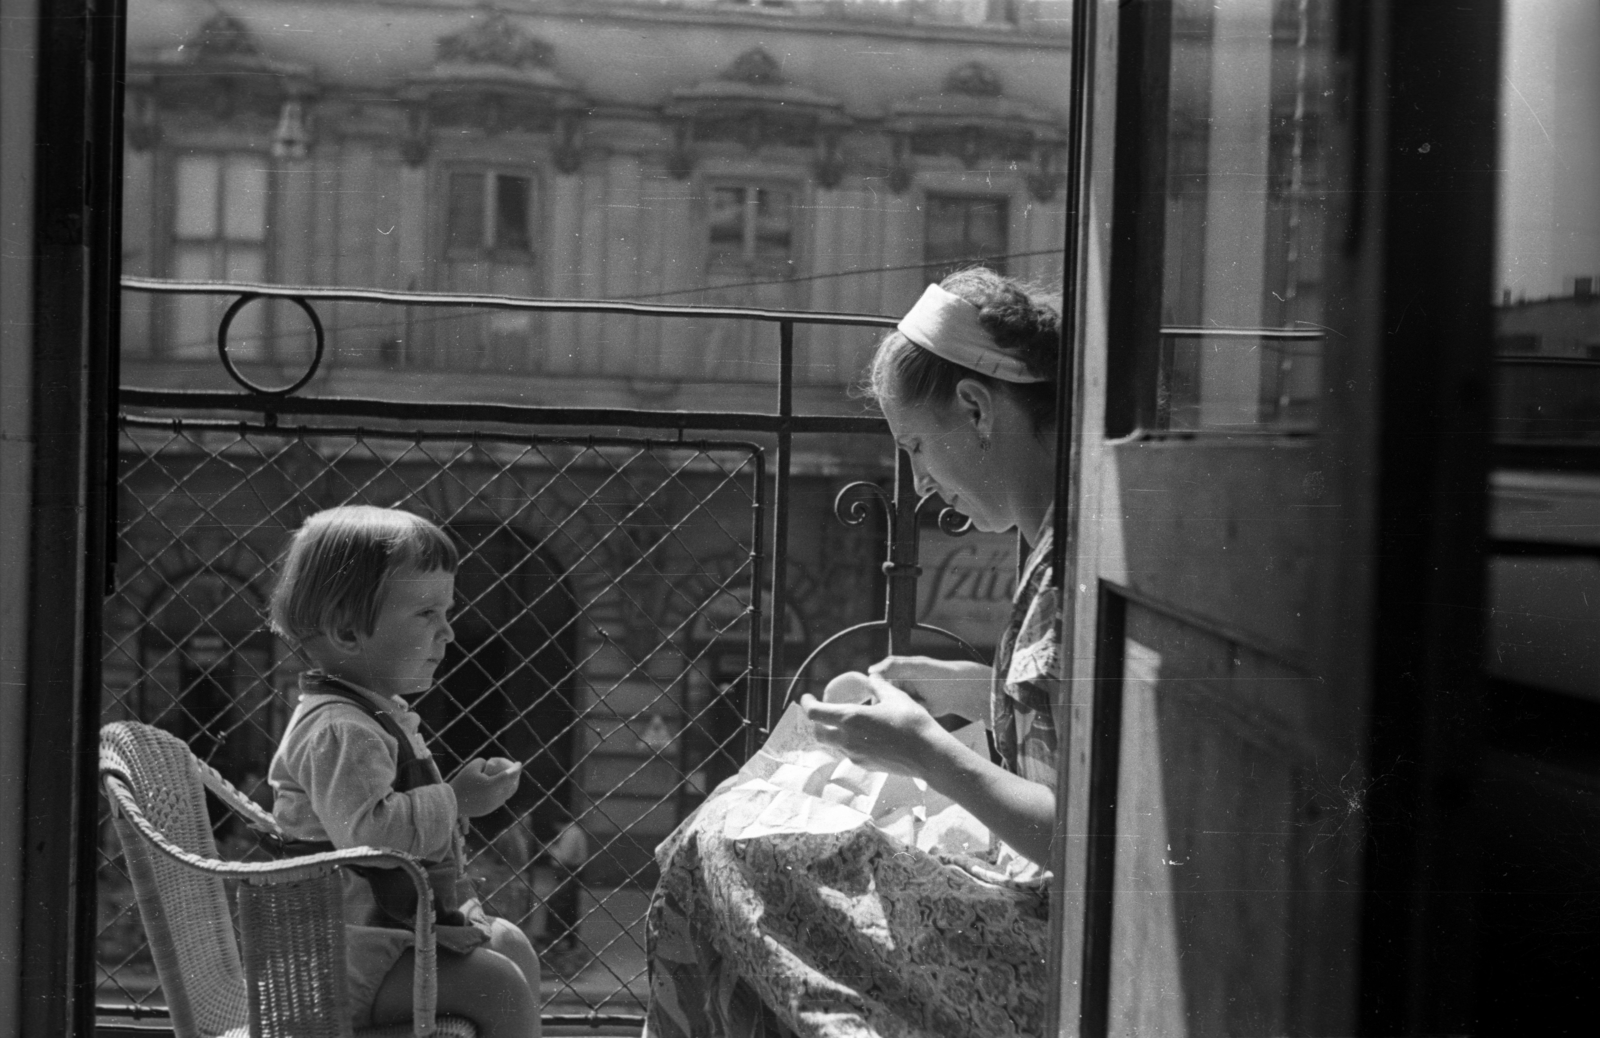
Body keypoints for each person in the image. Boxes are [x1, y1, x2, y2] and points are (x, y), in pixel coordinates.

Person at [647, 267, 1063, 1038]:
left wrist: (931, 755)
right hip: (1040, 905)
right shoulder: (1057, 548)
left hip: (1047, 945)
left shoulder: (1067, 568)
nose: (920, 481)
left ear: (975, 409)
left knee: (723, 848)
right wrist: (970, 688)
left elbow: (1088, 832)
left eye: (914, 446)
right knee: (739, 835)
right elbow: (1069, 726)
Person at [266, 506, 541, 1038]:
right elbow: (371, 836)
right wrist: (456, 800)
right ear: (348, 632)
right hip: (337, 963)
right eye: (426, 615)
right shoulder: (342, 730)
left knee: (509, 944)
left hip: (374, 943)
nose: (449, 633)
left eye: (447, 611)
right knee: (499, 985)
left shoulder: (372, 716)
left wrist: (457, 799)